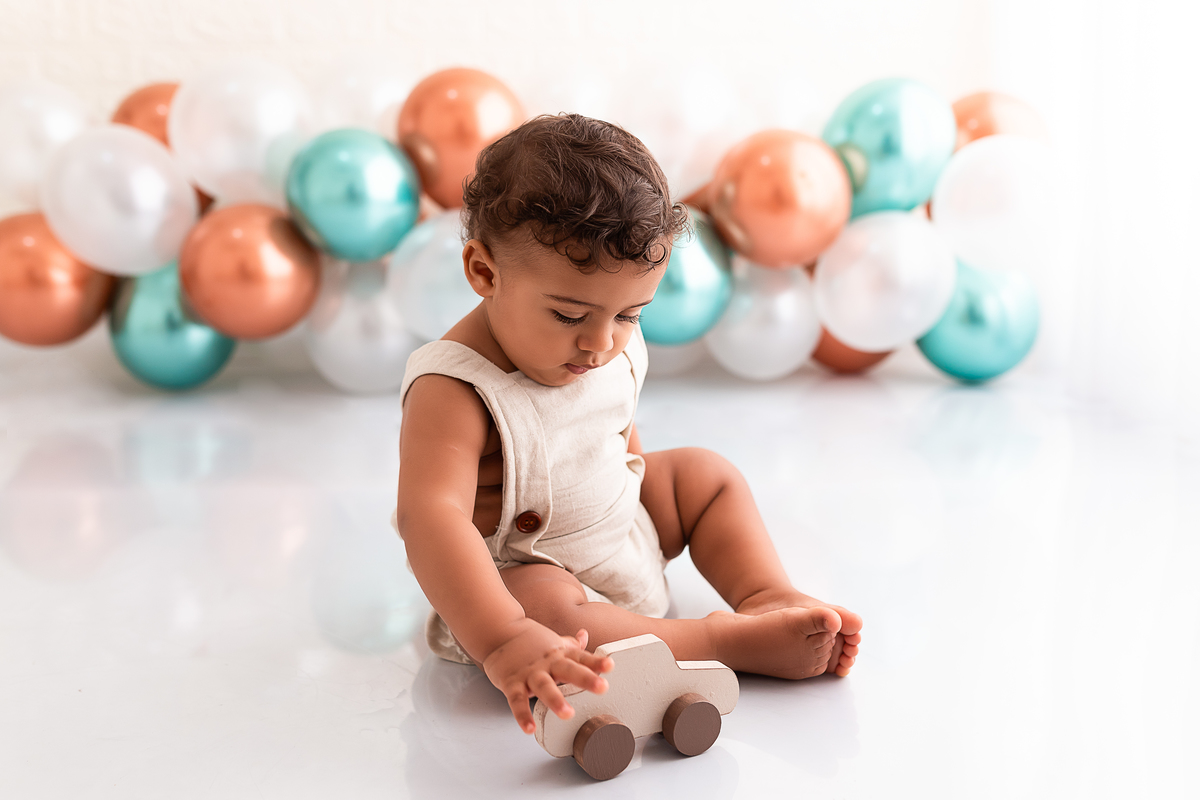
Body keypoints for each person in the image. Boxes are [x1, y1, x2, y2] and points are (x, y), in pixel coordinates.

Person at [394, 113, 863, 736]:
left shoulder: (605, 332)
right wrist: (504, 637)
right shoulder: (454, 388)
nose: (600, 343)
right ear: (483, 272)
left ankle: (766, 595)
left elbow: (612, 431)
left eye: (631, 314)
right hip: (542, 589)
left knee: (704, 474)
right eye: (568, 314)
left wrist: (647, 498)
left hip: (621, 532)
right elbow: (430, 517)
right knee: (543, 601)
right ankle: (717, 643)